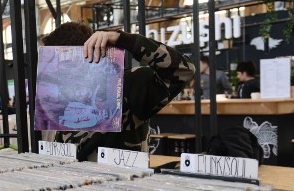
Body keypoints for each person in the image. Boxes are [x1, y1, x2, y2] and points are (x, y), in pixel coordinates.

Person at [40, 22, 194, 161]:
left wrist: (122, 39)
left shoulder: (128, 82)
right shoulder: (62, 98)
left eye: (66, 64)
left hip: (119, 185)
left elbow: (184, 70)